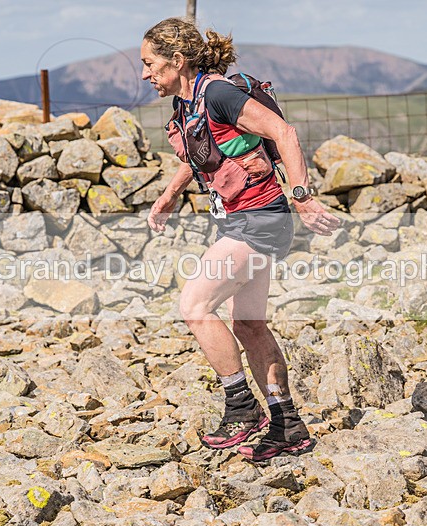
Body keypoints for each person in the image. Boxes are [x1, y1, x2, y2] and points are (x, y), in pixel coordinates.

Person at [142, 17, 341, 461]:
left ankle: (241, 407)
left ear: (178, 60)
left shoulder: (217, 93)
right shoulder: (187, 104)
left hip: (261, 219)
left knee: (194, 304)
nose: (144, 74)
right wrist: (170, 194)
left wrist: (303, 196)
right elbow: (201, 155)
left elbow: (282, 133)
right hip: (239, 221)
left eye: (150, 63)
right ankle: (287, 426)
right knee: (248, 324)